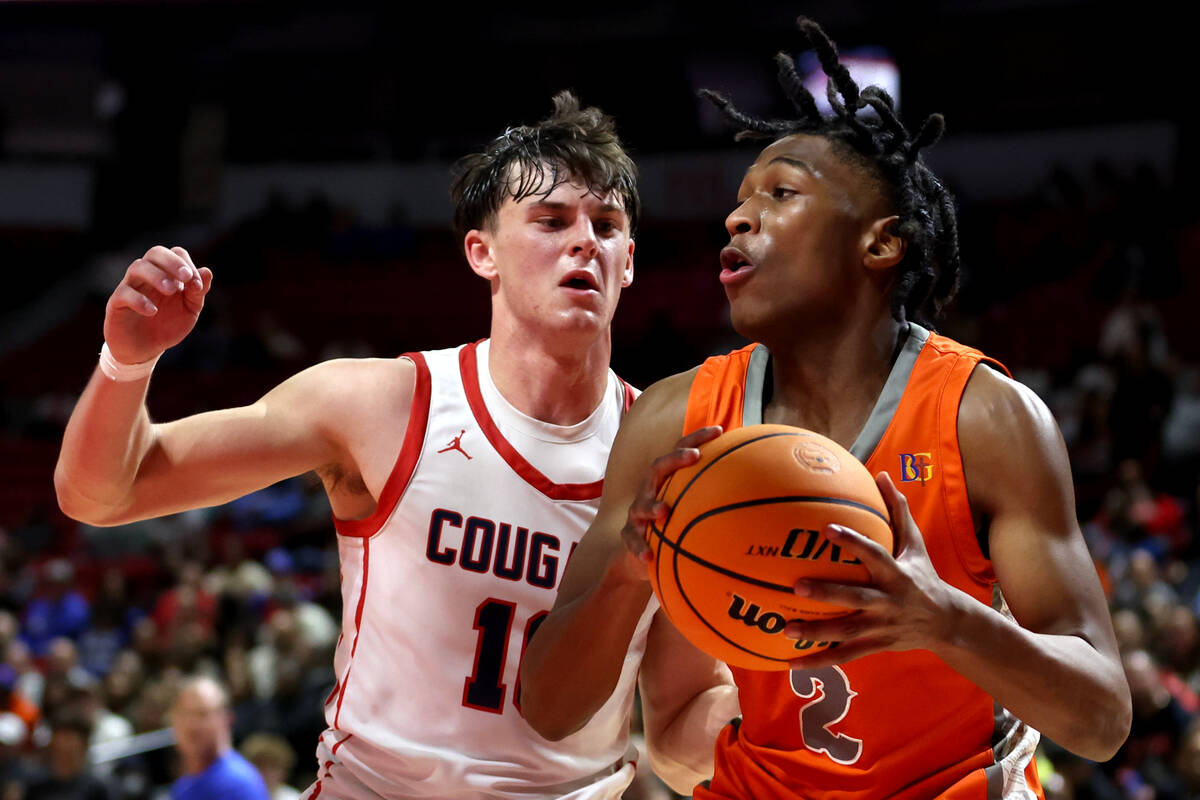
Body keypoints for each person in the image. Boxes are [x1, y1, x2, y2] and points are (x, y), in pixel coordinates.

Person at [55, 92, 734, 799]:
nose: (585, 240)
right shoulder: (381, 404)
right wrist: (127, 361)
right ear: (483, 252)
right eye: (552, 220)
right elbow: (104, 491)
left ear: (628, 263)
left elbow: (682, 737)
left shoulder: (666, 456)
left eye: (608, 225)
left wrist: (779, 711)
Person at [520, 18, 1132, 799]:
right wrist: (626, 579)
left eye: (781, 194)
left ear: (880, 244)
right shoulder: (678, 421)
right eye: (740, 204)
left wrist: (945, 618)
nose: (740, 218)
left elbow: (1103, 719)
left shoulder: (985, 417)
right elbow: (548, 705)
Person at [169, 676, 270, 800]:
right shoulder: (183, 785)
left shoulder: (237, 783)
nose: (191, 725)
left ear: (226, 719)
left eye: (202, 714)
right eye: (184, 714)